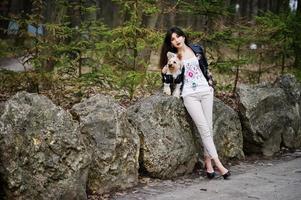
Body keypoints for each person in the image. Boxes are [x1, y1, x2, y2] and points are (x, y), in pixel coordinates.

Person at [159, 27, 231, 180]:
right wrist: (164, 72)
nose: (176, 40)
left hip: (205, 91)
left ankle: (208, 163)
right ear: (170, 43)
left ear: (184, 36)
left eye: (178, 36)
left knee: (209, 128)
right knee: (203, 129)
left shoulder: (197, 49)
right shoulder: (174, 56)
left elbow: (206, 68)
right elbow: (170, 74)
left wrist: (210, 85)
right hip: (189, 95)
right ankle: (219, 165)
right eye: (172, 39)